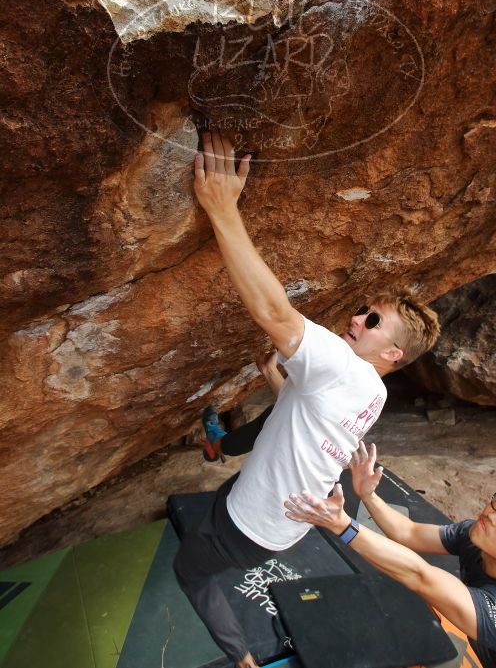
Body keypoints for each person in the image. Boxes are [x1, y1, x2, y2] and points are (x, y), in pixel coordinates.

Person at [174, 132, 441, 668]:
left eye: (370, 321)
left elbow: (274, 313)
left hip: (251, 525)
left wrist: (222, 208)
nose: (356, 318)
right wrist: (283, 381)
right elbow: (314, 422)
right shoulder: (374, 391)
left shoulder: (343, 366)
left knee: (190, 570)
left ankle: (243, 659)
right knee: (232, 483)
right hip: (286, 521)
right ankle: (223, 458)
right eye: (363, 308)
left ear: (390, 351)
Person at [284, 442, 496, 668]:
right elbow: (410, 532)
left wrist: (342, 525)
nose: (491, 514)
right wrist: (368, 495)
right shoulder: (478, 535)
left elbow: (420, 575)